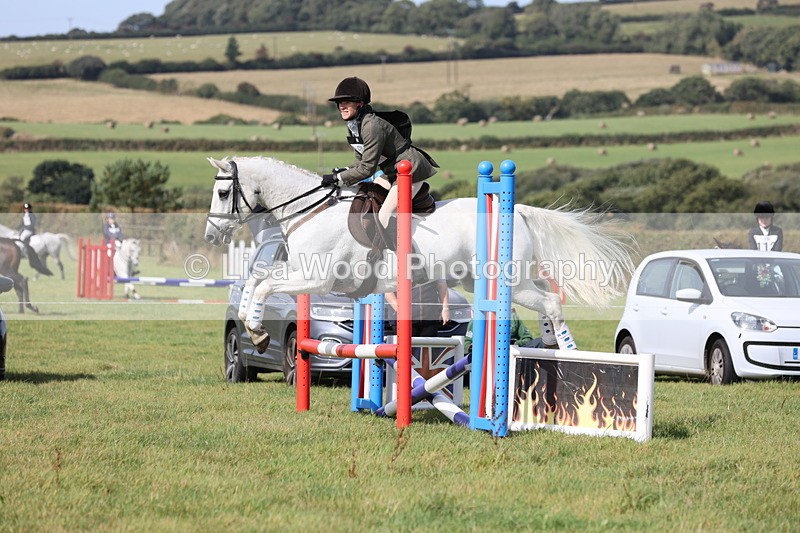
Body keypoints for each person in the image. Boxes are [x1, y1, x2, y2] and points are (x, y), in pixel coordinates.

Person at [322, 76, 439, 231]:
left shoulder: (371, 126)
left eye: (346, 102)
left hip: (410, 171)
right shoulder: (354, 125)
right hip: (392, 172)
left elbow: (367, 169)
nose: (341, 106)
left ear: (360, 103)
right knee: (369, 197)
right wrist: (344, 170)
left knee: (383, 215)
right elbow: (361, 162)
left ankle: (398, 253)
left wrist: (338, 178)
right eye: (339, 103)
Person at [463, 309, 557, 355]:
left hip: (511, 351)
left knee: (541, 342)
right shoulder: (478, 320)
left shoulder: (513, 317)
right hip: (486, 356)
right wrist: (476, 346)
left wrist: (516, 344)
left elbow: (527, 338)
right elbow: (467, 343)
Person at [385, 279, 450, 338]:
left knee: (427, 348)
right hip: (404, 319)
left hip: (429, 316)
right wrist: (400, 311)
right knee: (406, 349)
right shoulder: (394, 267)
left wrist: (445, 308)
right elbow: (388, 291)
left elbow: (441, 285)